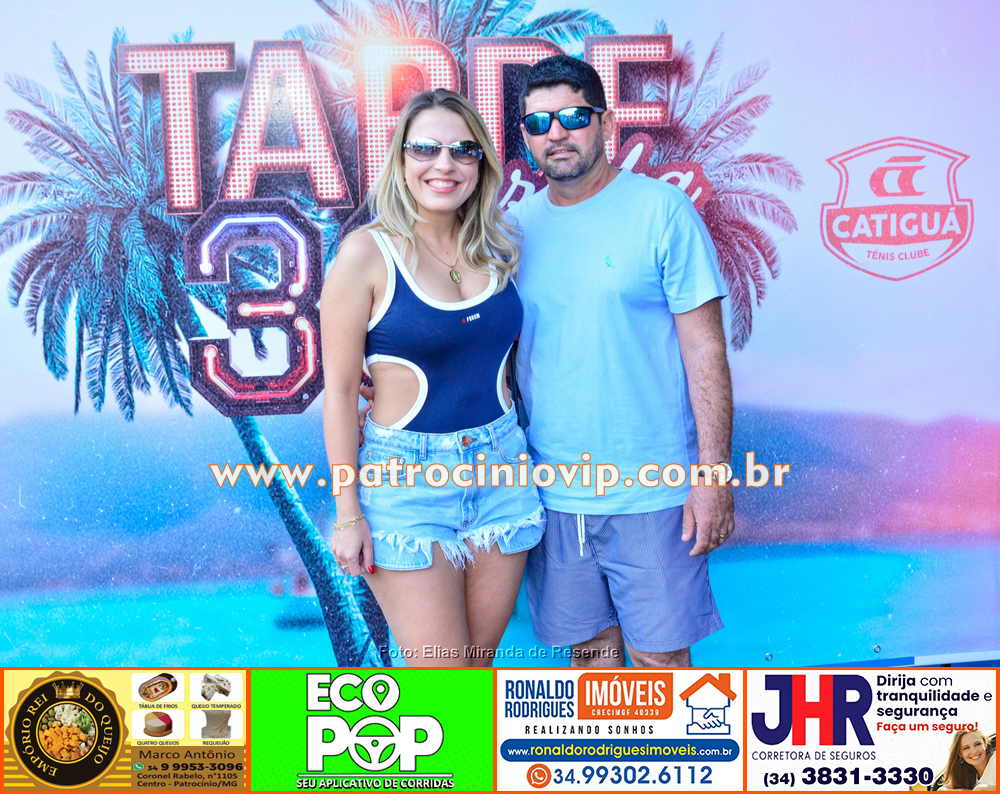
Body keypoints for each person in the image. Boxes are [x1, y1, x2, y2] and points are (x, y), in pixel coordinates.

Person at [508, 55, 734, 667]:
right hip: (553, 493)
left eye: (573, 116)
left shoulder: (663, 211)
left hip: (654, 491)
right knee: (590, 664)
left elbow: (706, 349)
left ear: (605, 124)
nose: (557, 133)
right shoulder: (513, 231)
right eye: (539, 123)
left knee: (662, 667)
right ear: (526, 136)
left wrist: (712, 475)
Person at [320, 89, 545, 666]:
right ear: (401, 158)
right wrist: (348, 514)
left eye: (463, 150)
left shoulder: (499, 246)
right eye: (425, 148)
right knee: (440, 679)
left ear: (480, 164)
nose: (444, 164)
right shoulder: (365, 254)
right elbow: (340, 394)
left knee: (473, 675)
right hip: (407, 485)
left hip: (503, 471)